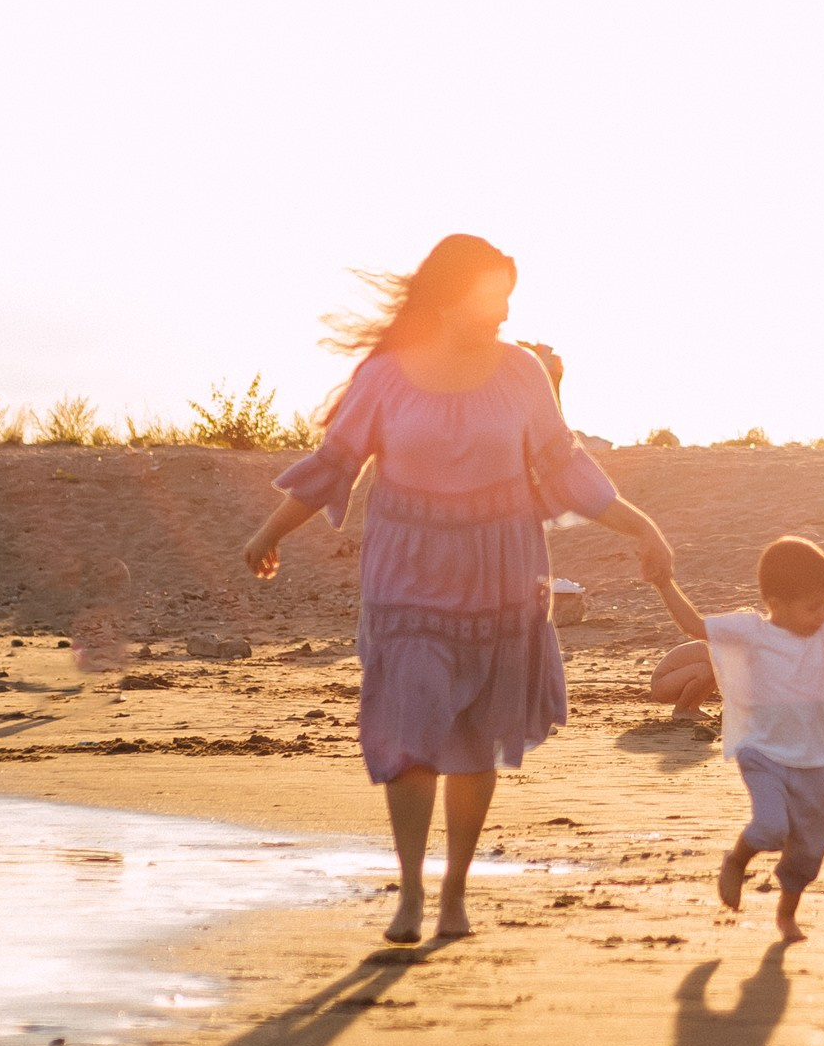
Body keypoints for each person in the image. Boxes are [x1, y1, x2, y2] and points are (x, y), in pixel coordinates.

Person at [241, 234, 674, 947]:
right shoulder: (385, 376)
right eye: (492, 293)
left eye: (509, 293)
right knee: (411, 733)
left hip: (500, 578)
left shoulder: (521, 373)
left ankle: (454, 891)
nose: (504, 309)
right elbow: (334, 465)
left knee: (474, 741)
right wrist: (270, 532)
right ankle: (410, 889)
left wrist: (640, 526)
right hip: (407, 577)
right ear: (451, 296)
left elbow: (564, 468)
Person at [648, 535, 824, 941]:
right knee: (771, 826)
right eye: (813, 605)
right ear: (775, 602)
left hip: (815, 759)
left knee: (809, 848)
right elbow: (692, 624)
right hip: (762, 751)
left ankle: (787, 915)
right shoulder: (750, 631)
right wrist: (664, 581)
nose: (822, 613)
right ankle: (737, 861)